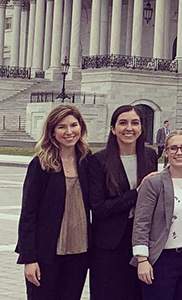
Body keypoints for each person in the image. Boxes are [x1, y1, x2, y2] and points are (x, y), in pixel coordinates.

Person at [16, 105, 91, 300]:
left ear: (81, 127)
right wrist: (29, 259)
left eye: (73, 125)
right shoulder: (41, 164)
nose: (69, 132)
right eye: (61, 127)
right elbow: (28, 215)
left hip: (79, 252)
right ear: (52, 131)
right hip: (46, 253)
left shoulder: (87, 160)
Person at [87, 104, 158, 300]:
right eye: (123, 123)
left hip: (141, 239)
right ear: (113, 129)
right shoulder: (98, 160)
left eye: (135, 123)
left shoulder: (150, 155)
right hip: (109, 243)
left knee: (137, 293)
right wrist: (136, 194)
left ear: (141, 128)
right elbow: (99, 208)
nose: (129, 128)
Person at [132, 130, 182, 300]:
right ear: (166, 153)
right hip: (161, 259)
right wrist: (142, 260)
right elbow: (141, 223)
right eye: (173, 148)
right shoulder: (154, 183)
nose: (179, 152)